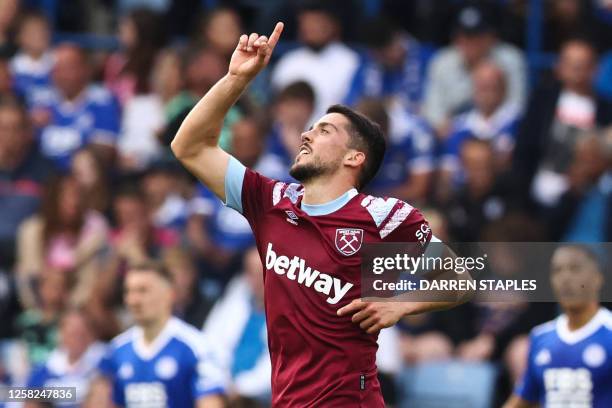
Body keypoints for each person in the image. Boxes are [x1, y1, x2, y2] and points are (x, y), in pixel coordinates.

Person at [171, 22, 469, 406]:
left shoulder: (383, 215)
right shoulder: (270, 202)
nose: (306, 135)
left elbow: (460, 278)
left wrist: (401, 304)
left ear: (354, 157)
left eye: (325, 130)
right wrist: (235, 79)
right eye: (310, 128)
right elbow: (189, 147)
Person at [97, 262, 226, 408]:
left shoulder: (197, 347)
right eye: (128, 291)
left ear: (169, 295)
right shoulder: (116, 350)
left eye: (143, 291)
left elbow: (211, 402)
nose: (133, 300)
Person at [503, 245, 612, 408]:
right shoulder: (540, 336)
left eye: (575, 269)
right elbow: (523, 400)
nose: (565, 277)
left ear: (597, 278)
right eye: (557, 270)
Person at [422, 5, 526, 136]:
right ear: (455, 39)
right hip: (453, 135)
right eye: (464, 36)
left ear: (492, 37)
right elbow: (433, 112)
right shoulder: (442, 62)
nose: (470, 42)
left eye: (477, 36)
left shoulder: (510, 59)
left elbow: (517, 107)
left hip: (499, 132)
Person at [29, 44, 121, 170]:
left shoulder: (102, 100)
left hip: (83, 174)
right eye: (57, 68)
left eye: (68, 68)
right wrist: (28, 123)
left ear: (85, 69)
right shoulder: (38, 99)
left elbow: (105, 149)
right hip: (40, 173)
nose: (62, 75)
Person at [270, 2, 359, 121]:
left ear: (333, 24)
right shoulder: (288, 62)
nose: (313, 28)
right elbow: (276, 109)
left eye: (318, 22)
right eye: (308, 23)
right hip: (292, 134)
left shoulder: (350, 61)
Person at [26, 308, 106, 408]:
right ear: (61, 334)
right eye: (72, 334)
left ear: (91, 335)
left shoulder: (103, 363)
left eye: (81, 334)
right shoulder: (45, 369)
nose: (77, 339)